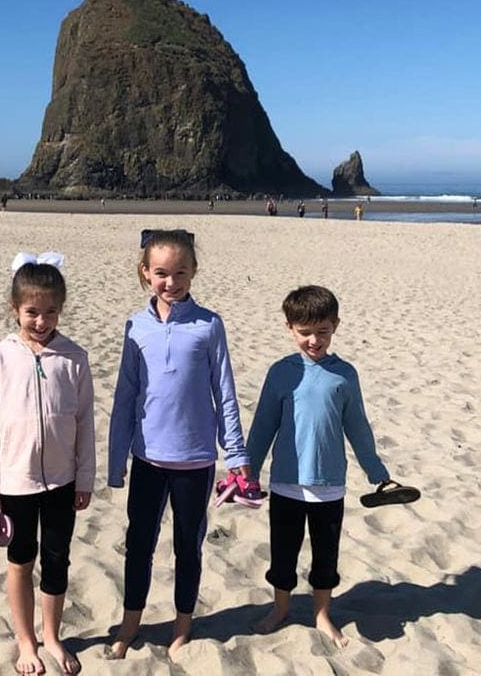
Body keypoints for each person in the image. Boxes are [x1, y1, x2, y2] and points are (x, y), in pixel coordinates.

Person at [107, 229, 250, 661]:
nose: (171, 282)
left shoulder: (209, 325)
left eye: (180, 273)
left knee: (189, 543)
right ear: (145, 274)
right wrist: (117, 460)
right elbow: (125, 395)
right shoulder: (136, 326)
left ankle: (183, 623)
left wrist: (236, 455)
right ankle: (131, 621)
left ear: (193, 272)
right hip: (148, 456)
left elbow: (223, 391)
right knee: (140, 543)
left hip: (196, 459)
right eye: (162, 274)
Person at [246, 285, 409, 648]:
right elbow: (263, 425)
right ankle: (280, 608)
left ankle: (322, 614)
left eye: (323, 331)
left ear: (336, 325)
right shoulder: (281, 372)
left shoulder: (344, 374)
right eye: (305, 333)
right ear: (290, 328)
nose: (314, 340)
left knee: (325, 556)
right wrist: (248, 469)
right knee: (283, 553)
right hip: (287, 482)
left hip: (330, 484)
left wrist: (378, 474)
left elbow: (358, 428)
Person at [0, 253, 95, 675]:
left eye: (50, 312)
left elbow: (85, 423)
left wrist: (85, 477)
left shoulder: (74, 358)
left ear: (61, 310)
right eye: (32, 312)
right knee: (21, 561)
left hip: (61, 482)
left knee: (57, 560)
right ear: (15, 309)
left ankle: (53, 636)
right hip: (15, 482)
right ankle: (26, 642)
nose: (41, 321)